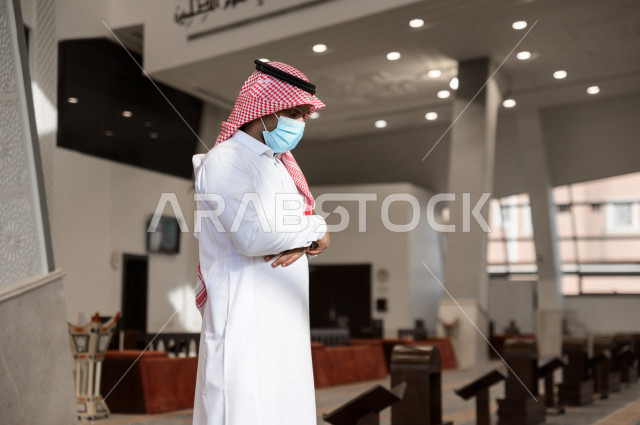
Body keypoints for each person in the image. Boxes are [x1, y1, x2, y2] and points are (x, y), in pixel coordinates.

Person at [191, 59, 330, 425]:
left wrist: (302, 241)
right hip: (245, 314)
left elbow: (287, 227)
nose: (300, 123)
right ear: (264, 108)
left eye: (304, 115)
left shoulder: (278, 164)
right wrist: (315, 230)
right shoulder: (226, 161)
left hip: (283, 317)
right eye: (295, 112)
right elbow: (253, 235)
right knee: (244, 410)